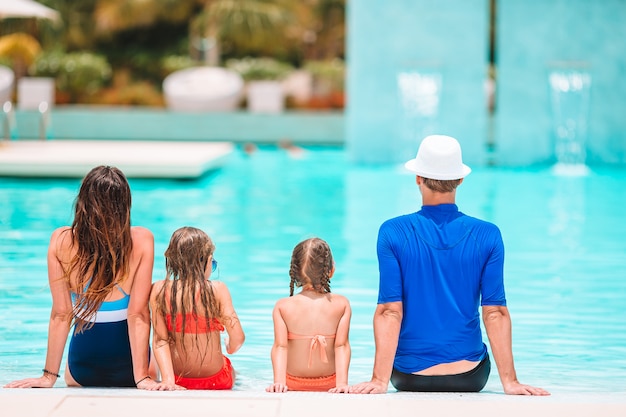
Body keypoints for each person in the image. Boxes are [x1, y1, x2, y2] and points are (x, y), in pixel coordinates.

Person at [349, 135, 550, 396]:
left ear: (418, 178)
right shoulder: (488, 234)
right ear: (460, 179)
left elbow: (389, 311)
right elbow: (495, 313)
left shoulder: (393, 232)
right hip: (470, 376)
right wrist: (510, 382)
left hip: (408, 376)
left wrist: (378, 380)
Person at [4, 166, 158, 389]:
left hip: (81, 370)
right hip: (131, 369)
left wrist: (48, 376)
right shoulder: (143, 240)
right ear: (124, 205)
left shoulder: (60, 240)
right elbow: (138, 315)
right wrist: (142, 378)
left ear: (83, 202)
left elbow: (61, 314)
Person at [149, 227, 245, 390]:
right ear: (206, 262)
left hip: (179, 380)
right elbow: (239, 337)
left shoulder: (159, 290)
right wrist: (231, 346)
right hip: (217, 380)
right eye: (212, 263)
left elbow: (160, 341)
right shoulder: (217, 290)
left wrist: (168, 380)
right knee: (235, 372)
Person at [266, 237, 352, 393]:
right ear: (331, 270)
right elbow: (342, 346)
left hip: (291, 382)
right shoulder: (341, 304)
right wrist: (342, 384)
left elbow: (280, 346)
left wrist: (279, 382)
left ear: (295, 272)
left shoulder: (283, 306)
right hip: (331, 383)